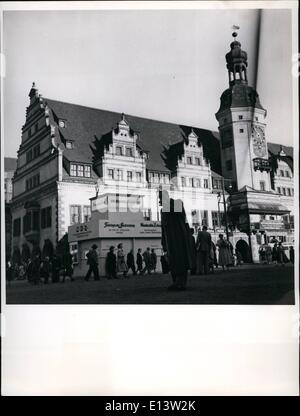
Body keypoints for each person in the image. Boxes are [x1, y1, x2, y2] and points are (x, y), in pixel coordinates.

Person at [160, 190, 194, 291]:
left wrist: (167, 203)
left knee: (180, 260)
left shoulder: (177, 203)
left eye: (161, 199)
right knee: (173, 261)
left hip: (179, 238)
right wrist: (163, 242)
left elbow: (180, 214)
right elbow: (163, 227)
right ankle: (176, 281)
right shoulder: (163, 210)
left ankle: (181, 282)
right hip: (170, 239)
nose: (160, 202)